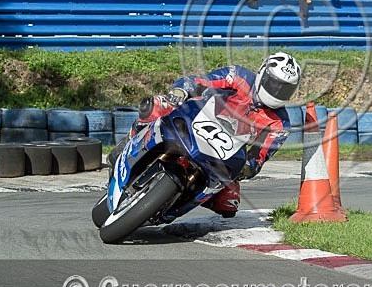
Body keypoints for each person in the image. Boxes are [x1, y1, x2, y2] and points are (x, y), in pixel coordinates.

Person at [125, 52, 302, 218]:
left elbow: (258, 157)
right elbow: (200, 81)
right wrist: (180, 91)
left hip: (222, 153)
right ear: (262, 74)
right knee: (155, 106)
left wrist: (245, 167)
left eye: (284, 89)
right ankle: (131, 141)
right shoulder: (238, 76)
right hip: (195, 119)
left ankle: (175, 201)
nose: (277, 91)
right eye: (274, 83)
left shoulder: (281, 124)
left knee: (229, 203)